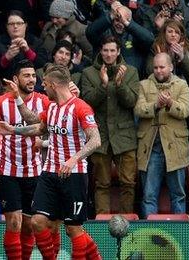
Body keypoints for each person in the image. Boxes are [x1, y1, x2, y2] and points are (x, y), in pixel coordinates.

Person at [0, 64, 102, 259]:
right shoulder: (51, 107)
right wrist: (12, 129)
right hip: (49, 173)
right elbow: (36, 125)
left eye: (45, 84)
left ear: (53, 85)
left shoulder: (80, 107)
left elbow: (96, 140)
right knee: (37, 222)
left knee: (73, 230)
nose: (42, 87)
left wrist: (73, 159)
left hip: (73, 174)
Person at [0, 60, 52, 259]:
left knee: (29, 226)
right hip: (8, 170)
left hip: (35, 171)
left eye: (33, 75)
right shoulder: (0, 102)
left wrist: (43, 144)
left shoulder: (44, 101)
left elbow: (52, 131)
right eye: (27, 75)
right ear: (15, 79)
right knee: (14, 222)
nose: (32, 79)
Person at [80, 36, 139, 215]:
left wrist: (119, 85)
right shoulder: (89, 73)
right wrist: (104, 85)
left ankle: (127, 222)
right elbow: (87, 103)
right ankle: (102, 222)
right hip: (100, 136)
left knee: (128, 183)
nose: (109, 54)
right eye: (105, 50)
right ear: (100, 50)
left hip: (124, 137)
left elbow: (132, 102)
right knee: (101, 184)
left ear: (119, 51)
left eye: (113, 50)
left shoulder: (131, 71)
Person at [135, 53, 189, 217]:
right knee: (148, 196)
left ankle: (179, 231)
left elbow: (186, 110)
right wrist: (156, 105)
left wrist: (169, 103)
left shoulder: (181, 85)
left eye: (162, 67)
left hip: (176, 148)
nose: (158, 71)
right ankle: (149, 231)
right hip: (151, 147)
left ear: (171, 67)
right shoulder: (143, 85)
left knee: (179, 195)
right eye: (155, 67)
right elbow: (138, 109)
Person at [86, 3, 154, 75]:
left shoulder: (135, 35)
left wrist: (128, 24)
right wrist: (110, 16)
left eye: (123, 21)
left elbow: (149, 40)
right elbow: (89, 32)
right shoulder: (104, 33)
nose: (120, 23)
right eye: (117, 20)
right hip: (104, 76)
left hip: (131, 78)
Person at [0, 10, 48, 78]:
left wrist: (28, 51)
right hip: (5, 82)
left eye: (19, 23)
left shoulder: (36, 42)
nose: (15, 26)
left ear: (25, 25)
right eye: (11, 24)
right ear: (6, 27)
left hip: (31, 83)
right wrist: (6, 58)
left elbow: (43, 65)